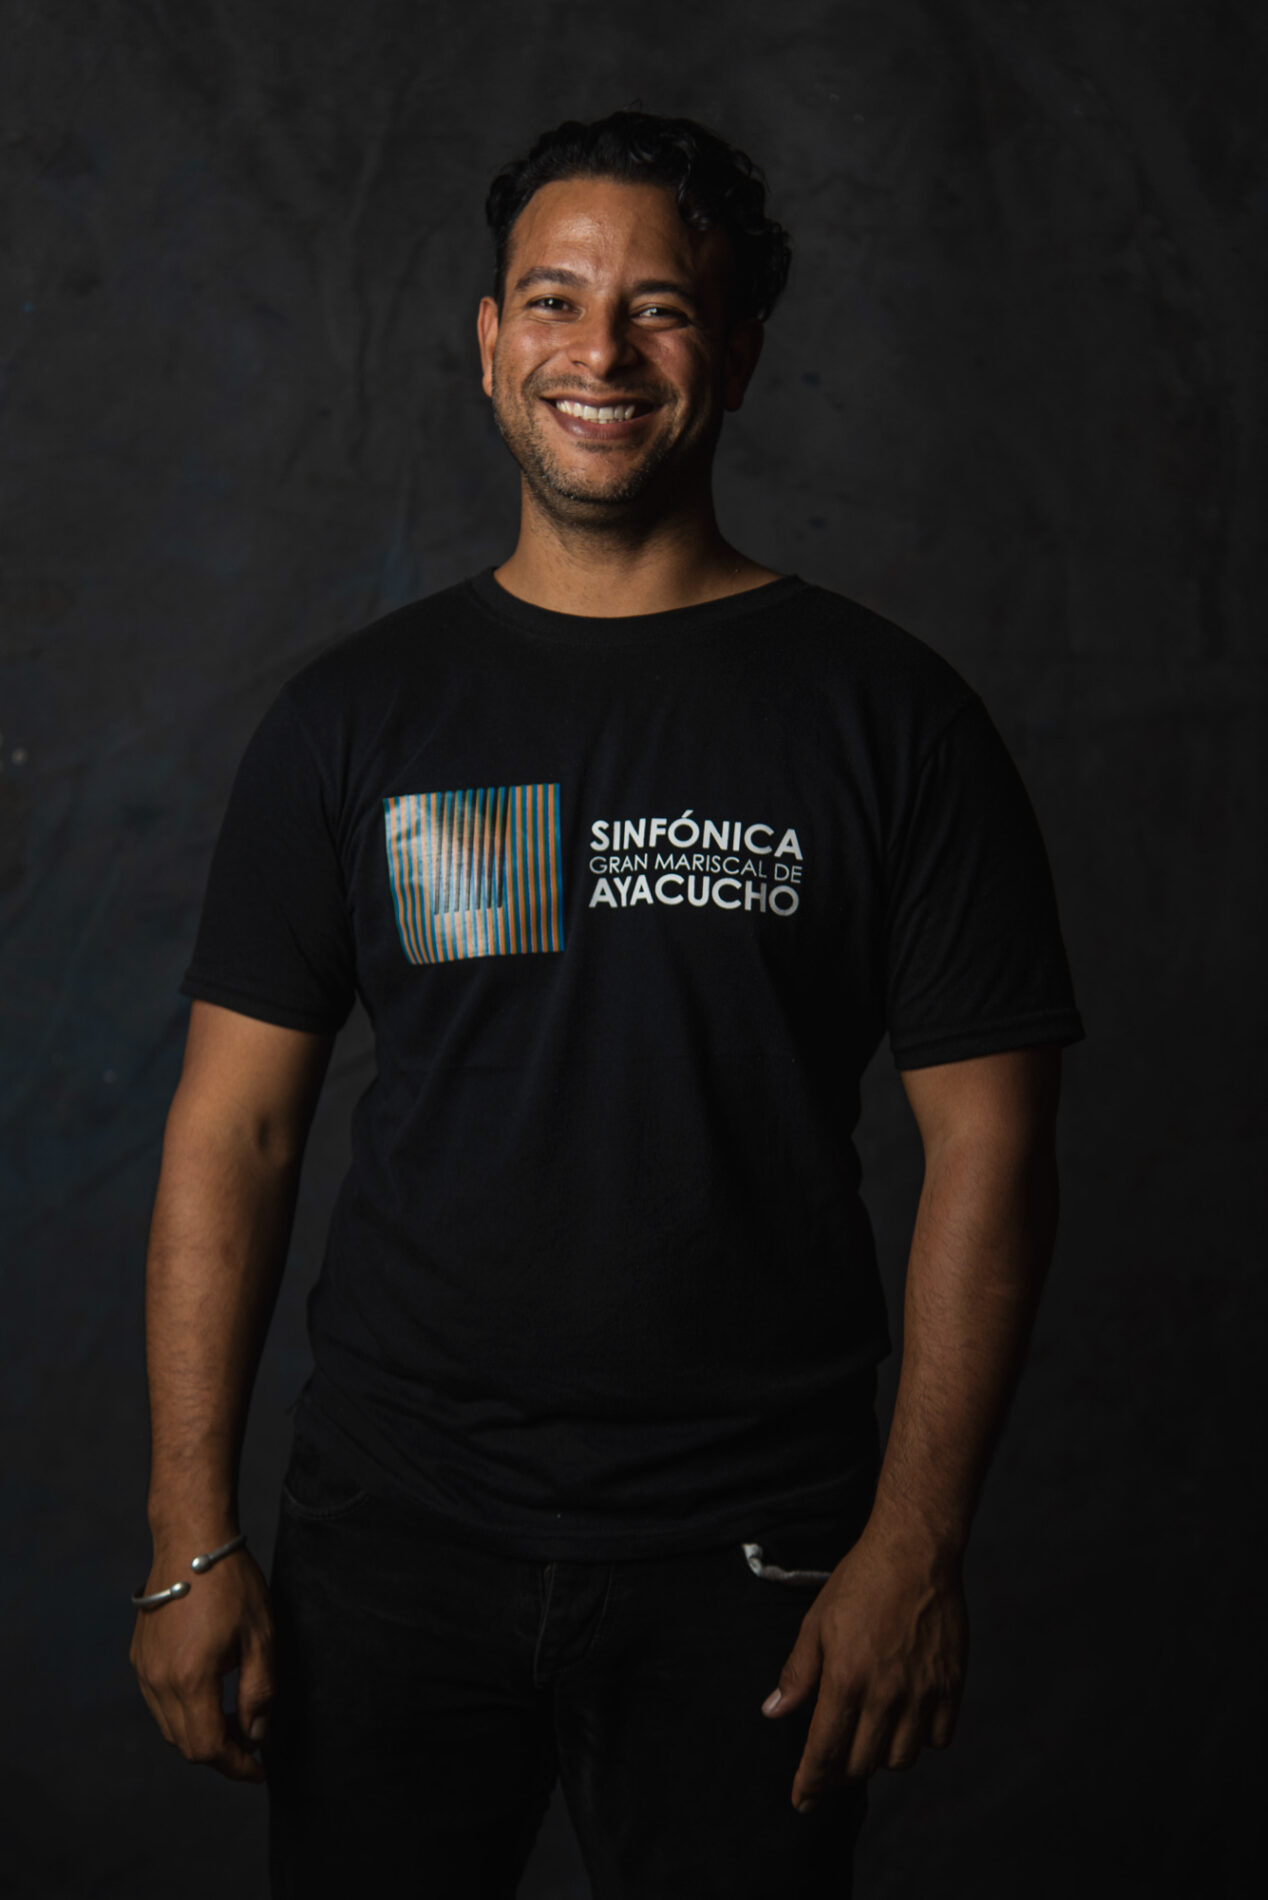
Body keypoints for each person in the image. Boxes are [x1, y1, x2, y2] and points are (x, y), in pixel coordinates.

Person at [129, 106, 1085, 1898]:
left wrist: (916, 1544)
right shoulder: (358, 719)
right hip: (394, 1543)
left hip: (757, 1560)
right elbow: (233, 1131)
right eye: (556, 300)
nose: (602, 352)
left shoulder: (890, 720)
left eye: (660, 307)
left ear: (738, 353)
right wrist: (192, 1539)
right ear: (489, 340)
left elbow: (995, 1153)